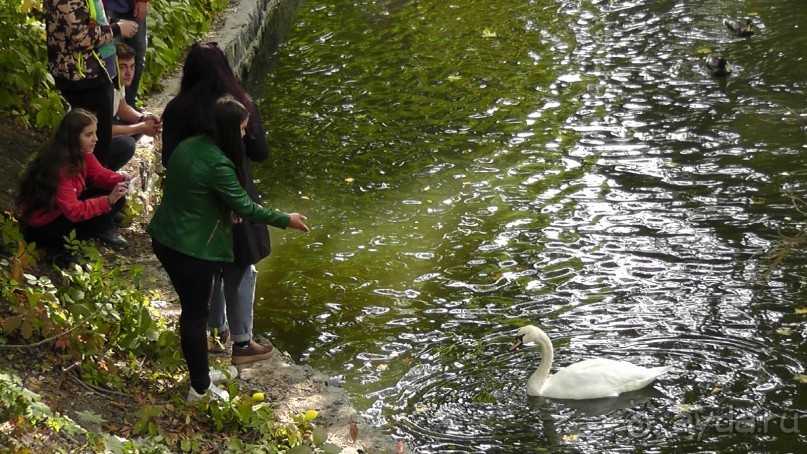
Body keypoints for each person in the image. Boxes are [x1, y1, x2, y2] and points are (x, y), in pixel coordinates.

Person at [148, 96, 309, 402]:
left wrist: (222, 207)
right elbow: (248, 208)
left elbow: (193, 193)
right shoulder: (220, 164)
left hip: (165, 238)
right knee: (195, 317)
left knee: (195, 313)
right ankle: (200, 388)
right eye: (243, 129)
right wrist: (286, 219)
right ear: (227, 129)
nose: (246, 135)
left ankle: (202, 374)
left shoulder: (190, 145)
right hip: (188, 250)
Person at [161, 42, 274, 366]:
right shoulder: (240, 105)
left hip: (195, 205)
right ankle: (242, 343)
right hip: (236, 196)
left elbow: (170, 159)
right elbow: (261, 153)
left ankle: (215, 332)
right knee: (240, 269)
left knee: (206, 267)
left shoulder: (177, 108)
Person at [15, 109, 131, 259]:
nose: (95, 139)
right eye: (88, 135)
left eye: (95, 133)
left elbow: (98, 174)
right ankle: (62, 248)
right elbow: (74, 211)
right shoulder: (59, 169)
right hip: (44, 226)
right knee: (106, 205)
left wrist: (121, 179)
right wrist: (108, 201)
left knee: (117, 195)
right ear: (73, 138)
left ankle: (97, 230)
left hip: (60, 211)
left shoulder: (81, 154)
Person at [45, 0, 138, 169]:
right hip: (82, 79)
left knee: (100, 141)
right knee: (95, 145)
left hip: (97, 74)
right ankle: (90, 188)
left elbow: (90, 22)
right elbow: (80, 38)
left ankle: (99, 182)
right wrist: (117, 29)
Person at [109, 43, 161, 173]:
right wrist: (141, 127)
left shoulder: (118, 83)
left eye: (132, 67)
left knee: (137, 120)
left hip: (103, 130)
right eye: (123, 67)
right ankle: (104, 176)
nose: (129, 73)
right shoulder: (105, 87)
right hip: (88, 142)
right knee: (127, 144)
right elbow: (102, 131)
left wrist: (144, 119)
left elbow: (122, 108)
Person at [104, 0, 149, 108]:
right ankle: (114, 106)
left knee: (138, 53)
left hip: (132, 5)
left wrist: (143, 1)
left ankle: (130, 103)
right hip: (106, 7)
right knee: (112, 57)